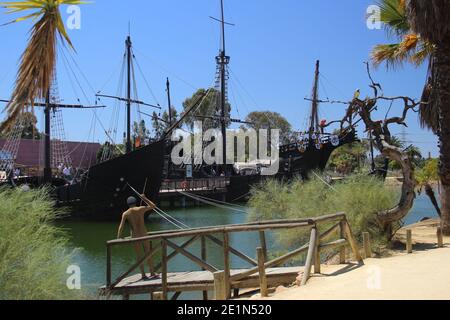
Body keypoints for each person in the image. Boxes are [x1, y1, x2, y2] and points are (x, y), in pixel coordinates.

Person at [117, 194, 157, 280]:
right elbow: (153, 206)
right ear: (135, 202)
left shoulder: (126, 213)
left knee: (139, 255)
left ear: (128, 204)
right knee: (148, 253)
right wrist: (144, 198)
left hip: (135, 236)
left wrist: (118, 238)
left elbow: (121, 227)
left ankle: (143, 274)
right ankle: (152, 272)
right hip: (143, 234)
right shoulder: (141, 209)